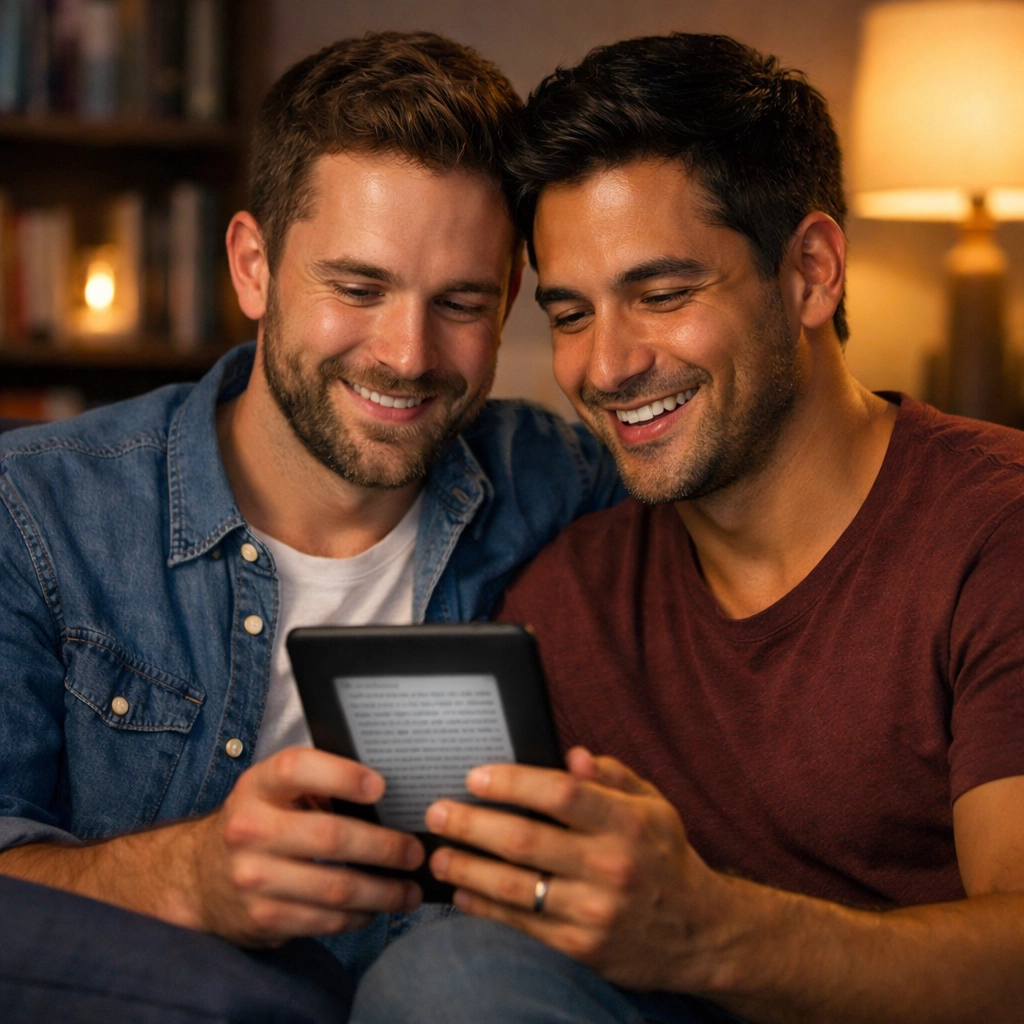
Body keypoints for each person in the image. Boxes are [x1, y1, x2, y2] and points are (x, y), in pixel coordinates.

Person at [351, 33, 1024, 1024]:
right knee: (443, 968)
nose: (606, 365)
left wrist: (712, 927)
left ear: (811, 273)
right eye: (570, 314)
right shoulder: (569, 596)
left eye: (661, 295)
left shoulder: (991, 530)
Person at [0, 32, 620, 1021]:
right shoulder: (35, 511)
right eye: (359, 288)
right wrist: (191, 878)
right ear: (254, 267)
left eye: (460, 301)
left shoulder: (566, 481)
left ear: (508, 300)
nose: (407, 355)